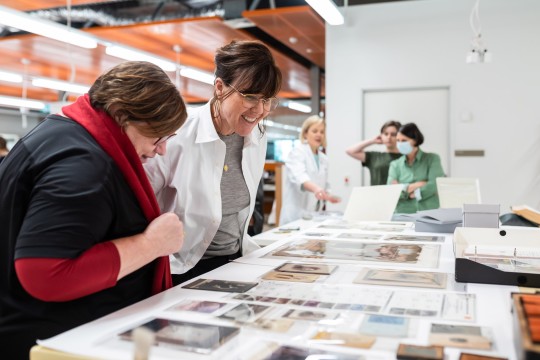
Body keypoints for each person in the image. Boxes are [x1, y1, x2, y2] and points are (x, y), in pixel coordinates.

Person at [0, 61, 187, 359]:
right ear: (123, 116)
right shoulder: (86, 167)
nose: (161, 149)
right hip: (51, 341)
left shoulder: (60, 133)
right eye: (158, 135)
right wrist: (152, 244)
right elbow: (45, 274)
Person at [144, 40, 282, 286]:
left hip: (236, 262)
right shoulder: (177, 134)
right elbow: (139, 206)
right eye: (250, 97)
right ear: (220, 87)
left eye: (268, 99)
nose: (260, 110)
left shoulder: (257, 135)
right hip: (181, 270)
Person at [280, 115, 340, 225]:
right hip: (295, 214)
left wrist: (328, 196)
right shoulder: (297, 152)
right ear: (305, 133)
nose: (319, 135)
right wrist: (317, 189)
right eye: (315, 131)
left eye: (322, 132)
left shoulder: (323, 158)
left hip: (313, 214)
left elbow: (324, 184)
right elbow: (300, 177)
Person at [387, 122, 445, 214]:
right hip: (402, 214)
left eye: (404, 140)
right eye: (398, 140)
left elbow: (434, 184)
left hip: (429, 212)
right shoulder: (395, 165)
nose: (400, 144)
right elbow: (391, 191)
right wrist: (420, 184)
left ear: (415, 140)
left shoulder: (432, 159)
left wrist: (405, 189)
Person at [345, 120, 402, 185]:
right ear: (381, 136)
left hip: (398, 194)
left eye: (393, 134)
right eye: (386, 134)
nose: (389, 137)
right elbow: (349, 151)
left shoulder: (405, 157)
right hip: (376, 194)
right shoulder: (374, 156)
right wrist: (373, 141)